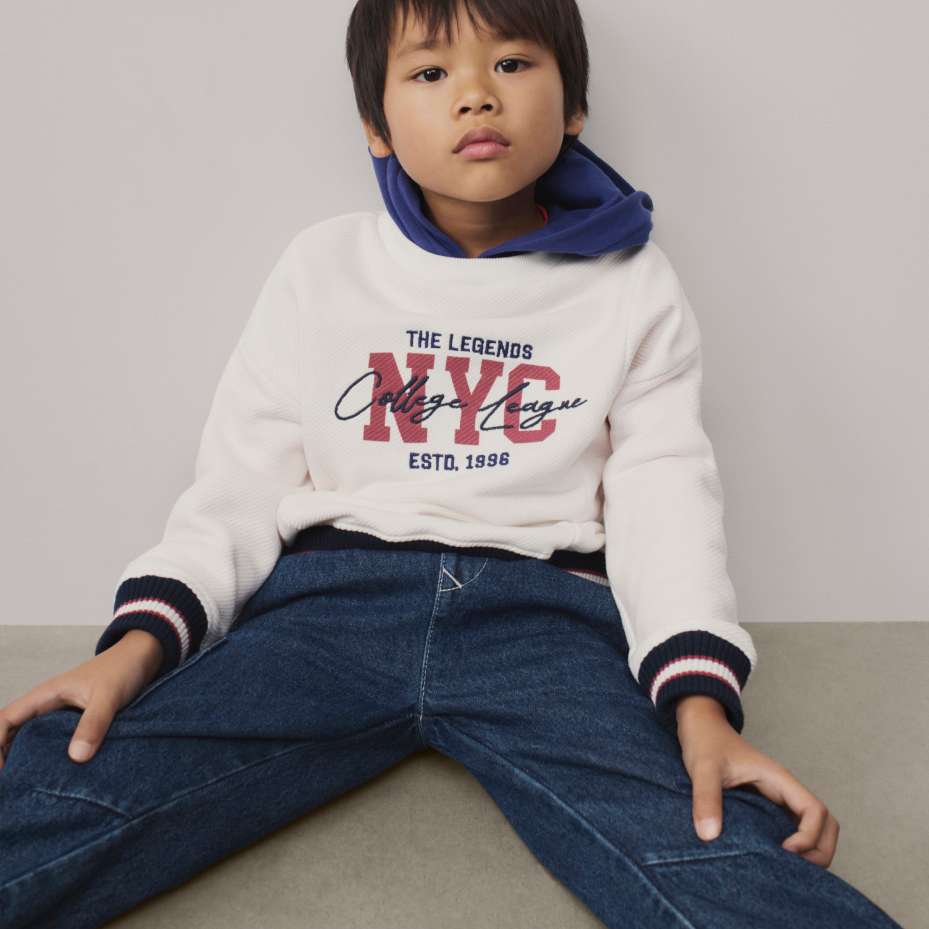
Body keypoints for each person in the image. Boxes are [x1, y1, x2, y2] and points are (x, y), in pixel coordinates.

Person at [0, 1, 902, 927]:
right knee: (64, 771)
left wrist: (700, 705)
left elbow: (664, 498)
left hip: (543, 623)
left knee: (715, 837)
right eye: (430, 73)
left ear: (573, 104)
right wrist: (134, 649)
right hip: (328, 610)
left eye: (511, 63)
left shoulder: (630, 284)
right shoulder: (325, 264)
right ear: (375, 125)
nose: (475, 94)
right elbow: (238, 483)